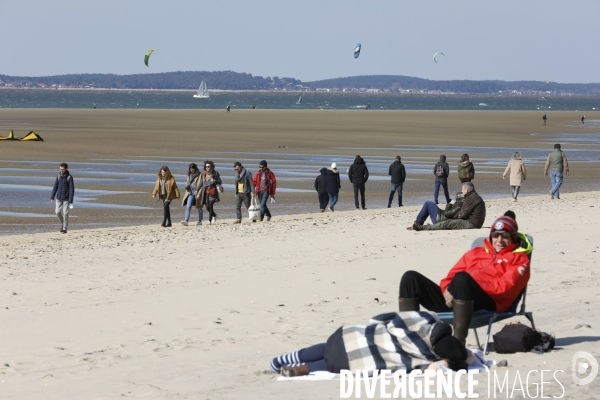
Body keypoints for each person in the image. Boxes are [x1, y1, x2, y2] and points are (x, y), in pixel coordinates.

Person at [399, 213, 532, 345]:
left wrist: (470, 284)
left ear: (513, 237)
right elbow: (451, 275)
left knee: (462, 279)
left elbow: (505, 287)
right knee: (410, 278)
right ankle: (410, 341)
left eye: (505, 236)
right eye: (496, 235)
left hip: (489, 303)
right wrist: (446, 290)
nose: (499, 240)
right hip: (456, 297)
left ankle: (458, 343)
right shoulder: (475, 253)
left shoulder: (519, 259)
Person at [270, 311, 468, 377]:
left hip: (356, 335)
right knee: (338, 362)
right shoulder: (430, 354)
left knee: (329, 347)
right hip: (361, 356)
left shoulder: (427, 320)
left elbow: (388, 318)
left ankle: (284, 359)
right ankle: (304, 368)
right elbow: (415, 363)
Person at [408, 182, 485, 231]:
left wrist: (450, 213)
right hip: (476, 222)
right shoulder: (476, 197)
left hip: (472, 223)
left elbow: (462, 214)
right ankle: (418, 224)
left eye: (462, 189)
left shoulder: (471, 198)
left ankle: (420, 227)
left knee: (446, 223)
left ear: (467, 190)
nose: (462, 191)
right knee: (446, 222)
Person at [50, 163, 75, 234]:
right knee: (57, 212)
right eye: (60, 169)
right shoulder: (58, 176)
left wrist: (70, 200)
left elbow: (71, 189)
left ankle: (64, 228)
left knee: (65, 213)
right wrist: (52, 197)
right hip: (59, 198)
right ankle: (64, 223)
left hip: (66, 199)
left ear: (66, 169)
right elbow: (55, 187)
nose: (61, 170)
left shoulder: (69, 177)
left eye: (62, 169)